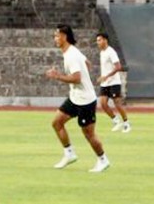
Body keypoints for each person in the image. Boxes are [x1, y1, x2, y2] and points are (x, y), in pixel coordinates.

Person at [46, 24, 110, 172]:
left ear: (64, 37)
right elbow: (87, 63)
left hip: (86, 101)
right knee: (57, 123)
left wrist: (58, 76)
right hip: (75, 97)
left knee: (88, 134)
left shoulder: (71, 55)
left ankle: (103, 159)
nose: (55, 39)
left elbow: (77, 78)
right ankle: (69, 154)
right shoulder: (72, 51)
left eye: (57, 36)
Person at [95, 32, 130, 133]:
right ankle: (116, 121)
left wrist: (106, 76)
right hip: (105, 83)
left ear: (105, 40)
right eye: (97, 40)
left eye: (99, 40)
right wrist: (103, 78)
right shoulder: (102, 52)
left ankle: (126, 123)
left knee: (117, 104)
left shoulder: (111, 52)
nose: (98, 42)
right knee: (103, 103)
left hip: (114, 82)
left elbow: (118, 67)